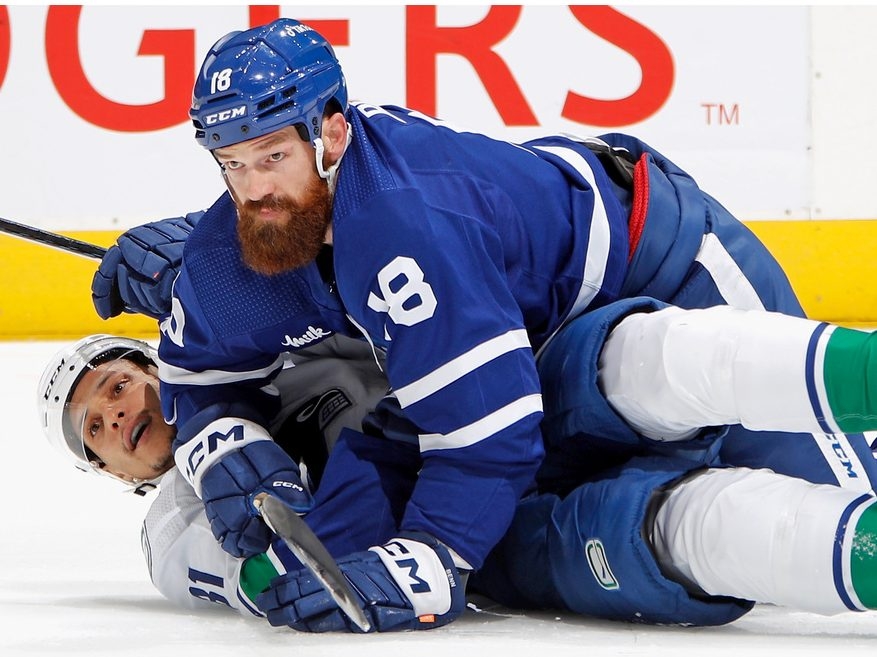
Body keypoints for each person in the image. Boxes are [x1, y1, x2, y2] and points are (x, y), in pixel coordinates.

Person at [88, 17, 877, 632]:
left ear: (330, 133)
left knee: (836, 491)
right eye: (230, 163)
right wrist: (223, 439)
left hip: (664, 264)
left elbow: (485, 438)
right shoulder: (236, 247)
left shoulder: (404, 229)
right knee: (672, 514)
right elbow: (198, 371)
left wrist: (431, 555)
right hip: (535, 344)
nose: (251, 189)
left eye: (270, 157)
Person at [37, 332, 877, 629]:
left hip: (510, 403)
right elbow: (254, 573)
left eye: (115, 386)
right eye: (95, 430)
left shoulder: (245, 343)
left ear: (156, 366)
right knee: (681, 532)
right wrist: (280, 572)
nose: (114, 413)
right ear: (112, 473)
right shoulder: (172, 529)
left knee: (654, 364)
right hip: (487, 540)